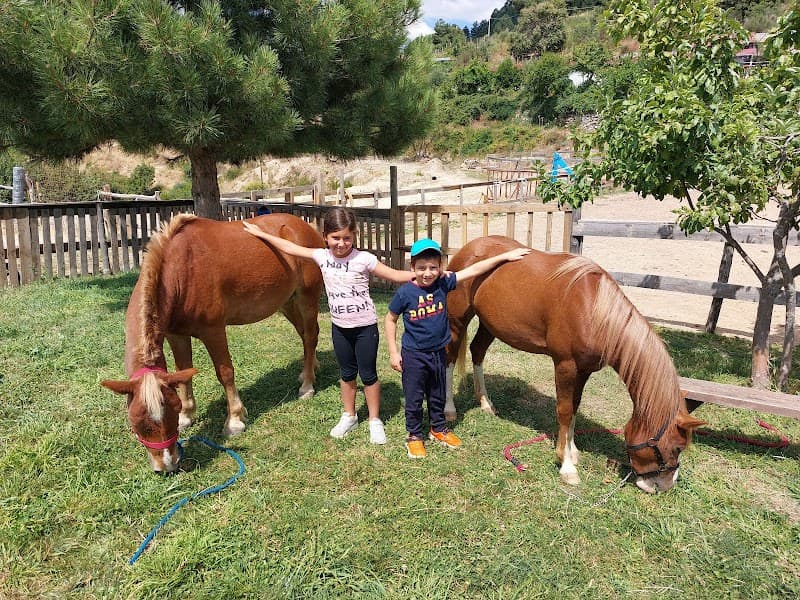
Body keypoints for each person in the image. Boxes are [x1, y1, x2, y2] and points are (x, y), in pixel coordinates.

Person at [243, 207, 412, 444]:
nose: (341, 244)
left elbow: (394, 275)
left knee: (369, 375)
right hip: (340, 329)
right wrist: (262, 234)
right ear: (325, 237)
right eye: (335, 238)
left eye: (347, 238)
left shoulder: (364, 259)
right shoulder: (322, 256)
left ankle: (375, 420)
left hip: (365, 329)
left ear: (354, 236)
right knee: (347, 374)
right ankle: (349, 415)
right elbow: (290, 247)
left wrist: (426, 275)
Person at [384, 238, 530, 458]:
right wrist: (394, 352)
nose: (428, 273)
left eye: (433, 267)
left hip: (438, 353)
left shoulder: (444, 283)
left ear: (441, 268)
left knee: (437, 395)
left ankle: (439, 429)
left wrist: (504, 256)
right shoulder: (405, 293)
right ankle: (414, 436)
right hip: (414, 355)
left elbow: (474, 269)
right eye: (422, 268)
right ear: (412, 267)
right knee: (414, 398)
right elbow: (390, 319)